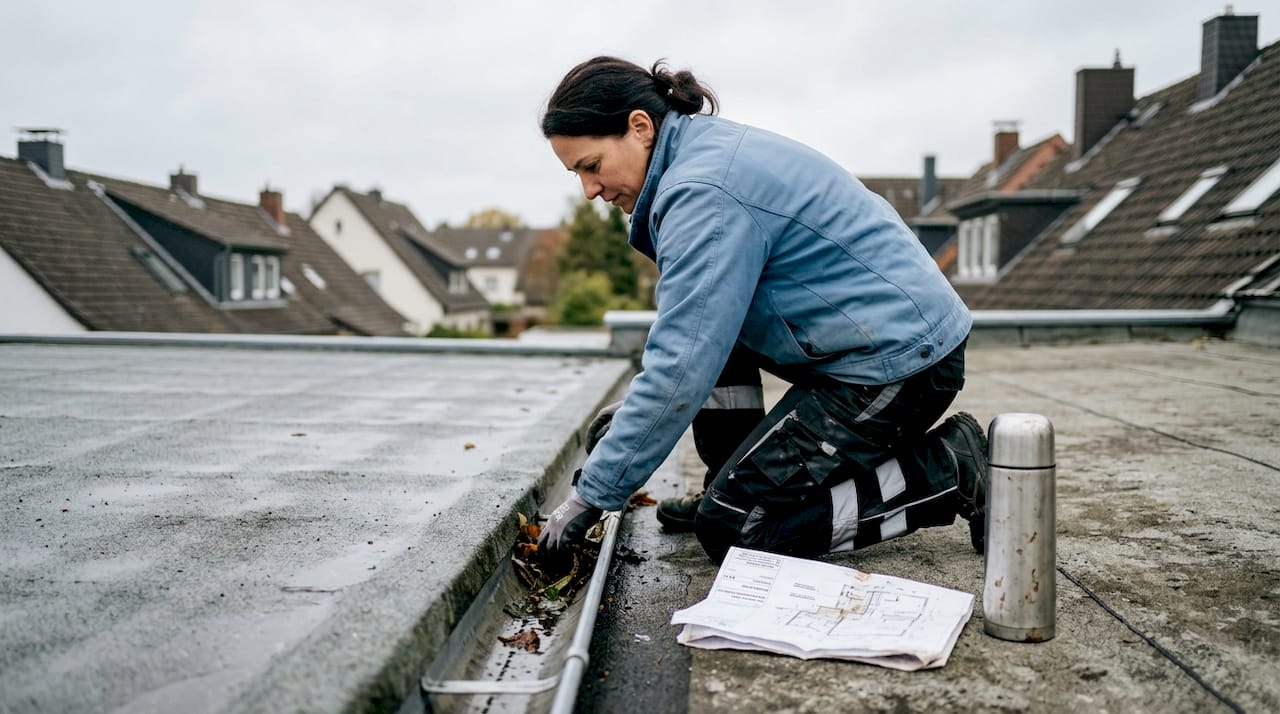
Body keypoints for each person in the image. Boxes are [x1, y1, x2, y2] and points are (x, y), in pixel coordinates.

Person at [537, 56, 989, 569]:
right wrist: (636, 419)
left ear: (640, 128)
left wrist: (591, 495)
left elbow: (680, 365)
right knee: (717, 341)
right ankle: (729, 485)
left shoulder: (701, 192)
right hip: (873, 342)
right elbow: (699, 335)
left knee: (734, 530)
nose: (589, 191)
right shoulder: (699, 154)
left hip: (900, 366)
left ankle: (948, 469)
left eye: (591, 166)